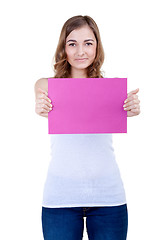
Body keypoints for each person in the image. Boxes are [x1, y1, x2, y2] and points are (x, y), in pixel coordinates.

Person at [34, 15, 140, 240]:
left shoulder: (111, 90)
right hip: (60, 199)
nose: (80, 51)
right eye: (72, 44)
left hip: (108, 199)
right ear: (63, 48)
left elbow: (126, 108)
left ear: (97, 47)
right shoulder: (49, 87)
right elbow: (40, 90)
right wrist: (40, 104)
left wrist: (130, 107)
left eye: (88, 43)